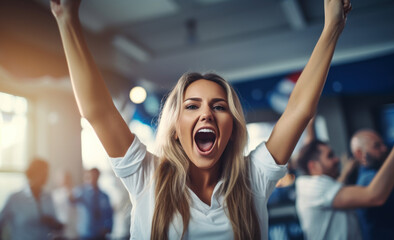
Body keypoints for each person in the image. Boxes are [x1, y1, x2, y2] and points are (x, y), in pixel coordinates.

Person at [50, 0, 351, 239]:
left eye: (219, 107)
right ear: (176, 130)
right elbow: (98, 112)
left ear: (231, 129)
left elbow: (299, 110)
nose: (206, 113)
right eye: (192, 106)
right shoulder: (146, 175)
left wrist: (332, 27)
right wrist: (67, 21)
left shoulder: (253, 178)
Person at [295, 94, 394, 240]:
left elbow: (312, 152)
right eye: (330, 156)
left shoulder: (320, 186)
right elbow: (375, 196)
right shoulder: (312, 187)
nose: (337, 160)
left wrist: (311, 122)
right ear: (313, 167)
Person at [350, 129, 394, 240]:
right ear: (359, 154)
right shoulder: (369, 179)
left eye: (382, 144)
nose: (384, 148)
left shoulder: (371, 176)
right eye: (377, 146)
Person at [0, 158, 63, 240]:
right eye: (43, 173)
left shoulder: (48, 197)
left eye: (47, 173)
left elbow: (56, 225)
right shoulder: (14, 199)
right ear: (32, 173)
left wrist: (52, 222)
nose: (46, 176)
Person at [70, 168, 113, 240]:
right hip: (86, 234)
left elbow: (109, 214)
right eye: (91, 176)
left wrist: (108, 227)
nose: (93, 178)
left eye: (95, 176)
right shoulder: (81, 192)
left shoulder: (104, 196)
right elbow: (71, 200)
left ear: (98, 176)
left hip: (101, 234)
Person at [52, 170, 79, 240]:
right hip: (58, 232)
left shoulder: (76, 192)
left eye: (65, 177)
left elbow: (73, 200)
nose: (63, 179)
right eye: (60, 178)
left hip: (71, 232)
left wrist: (69, 189)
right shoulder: (55, 194)